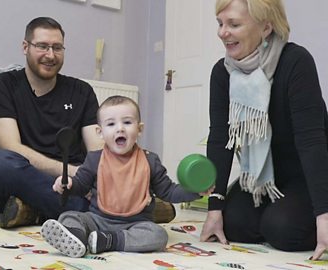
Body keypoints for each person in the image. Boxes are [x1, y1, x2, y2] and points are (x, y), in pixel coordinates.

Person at [200, 0, 328, 260]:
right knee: (233, 224)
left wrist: (324, 215)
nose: (222, 32)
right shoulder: (222, 73)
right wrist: (214, 208)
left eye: (233, 24)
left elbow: (311, 140)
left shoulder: (295, 61)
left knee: (282, 229)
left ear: (266, 27)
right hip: (262, 178)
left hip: (305, 173)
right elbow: (219, 139)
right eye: (220, 23)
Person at [40, 96, 212, 258]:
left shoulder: (150, 160)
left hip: (137, 224)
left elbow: (168, 191)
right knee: (70, 217)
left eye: (127, 122)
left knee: (158, 235)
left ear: (139, 129)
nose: (120, 128)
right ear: (100, 132)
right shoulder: (94, 158)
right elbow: (81, 185)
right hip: (98, 220)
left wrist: (195, 191)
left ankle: (108, 241)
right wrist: (68, 185)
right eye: (111, 124)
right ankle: (77, 237)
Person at [0, 17, 104, 228]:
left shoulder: (82, 91)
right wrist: (77, 174)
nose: (50, 55)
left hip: (74, 184)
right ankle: (93, 212)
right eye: (42, 46)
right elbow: (10, 147)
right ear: (25, 47)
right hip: (27, 177)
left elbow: (98, 151)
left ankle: (34, 212)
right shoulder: (2, 86)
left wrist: (98, 177)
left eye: (57, 47)